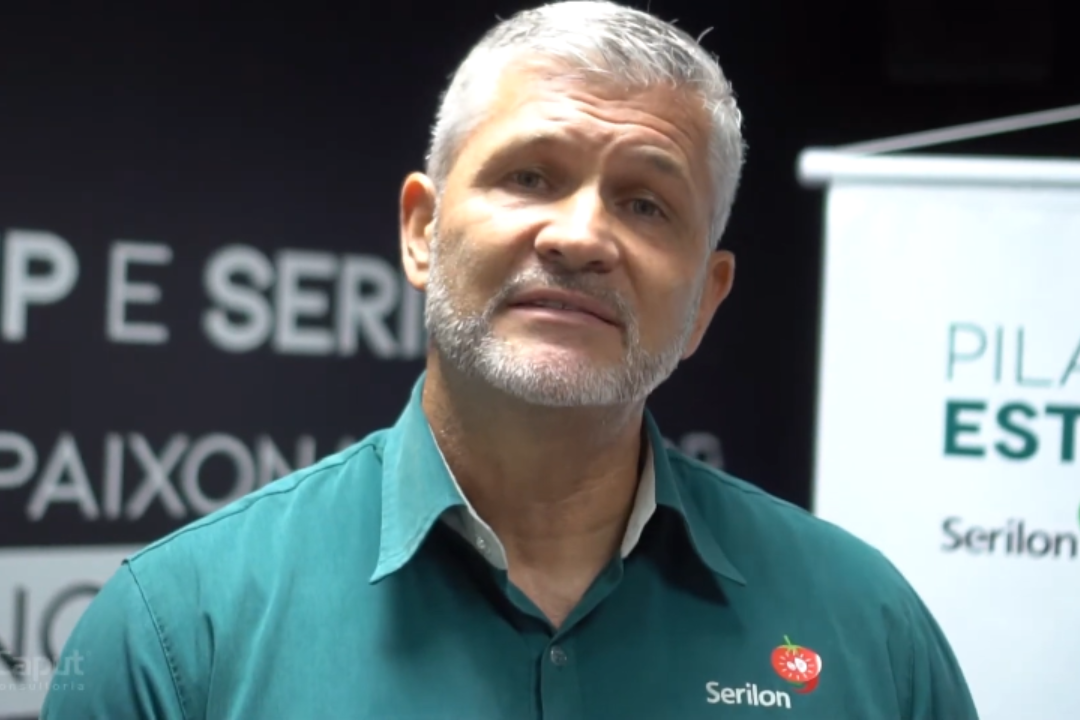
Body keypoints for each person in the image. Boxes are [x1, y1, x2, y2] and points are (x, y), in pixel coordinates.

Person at [42, 1, 979, 718]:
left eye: (646, 203)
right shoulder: (179, 631)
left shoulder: (870, 631)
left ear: (706, 299)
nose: (581, 237)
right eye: (530, 176)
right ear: (422, 230)